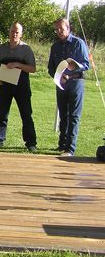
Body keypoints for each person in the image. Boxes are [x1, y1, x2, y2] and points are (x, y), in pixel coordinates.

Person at [0, 22, 37, 152]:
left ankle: (31, 143)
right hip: (5, 85)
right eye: (12, 31)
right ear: (9, 32)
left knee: (26, 114)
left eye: (17, 32)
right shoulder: (1, 48)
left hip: (22, 86)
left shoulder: (26, 49)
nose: (14, 34)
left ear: (21, 34)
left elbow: (33, 69)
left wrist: (18, 64)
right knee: (2, 114)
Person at [47, 18, 90, 157]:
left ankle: (70, 149)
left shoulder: (78, 43)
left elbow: (85, 65)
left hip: (75, 83)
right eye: (56, 29)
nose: (59, 31)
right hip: (60, 84)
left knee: (73, 116)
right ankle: (62, 145)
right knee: (63, 116)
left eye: (61, 29)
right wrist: (57, 77)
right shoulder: (55, 46)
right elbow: (51, 67)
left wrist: (70, 73)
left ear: (68, 28)